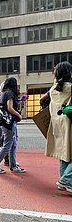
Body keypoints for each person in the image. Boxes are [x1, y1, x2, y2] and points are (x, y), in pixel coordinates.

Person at [46, 61, 72, 194]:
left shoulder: (53, 90)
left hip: (57, 124)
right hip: (69, 124)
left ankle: (65, 182)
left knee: (64, 152)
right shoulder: (70, 88)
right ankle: (66, 180)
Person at [0, 77, 25, 174]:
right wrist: (19, 115)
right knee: (8, 144)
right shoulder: (10, 93)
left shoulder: (3, 93)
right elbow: (10, 108)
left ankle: (13, 165)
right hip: (10, 122)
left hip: (5, 121)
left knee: (12, 144)